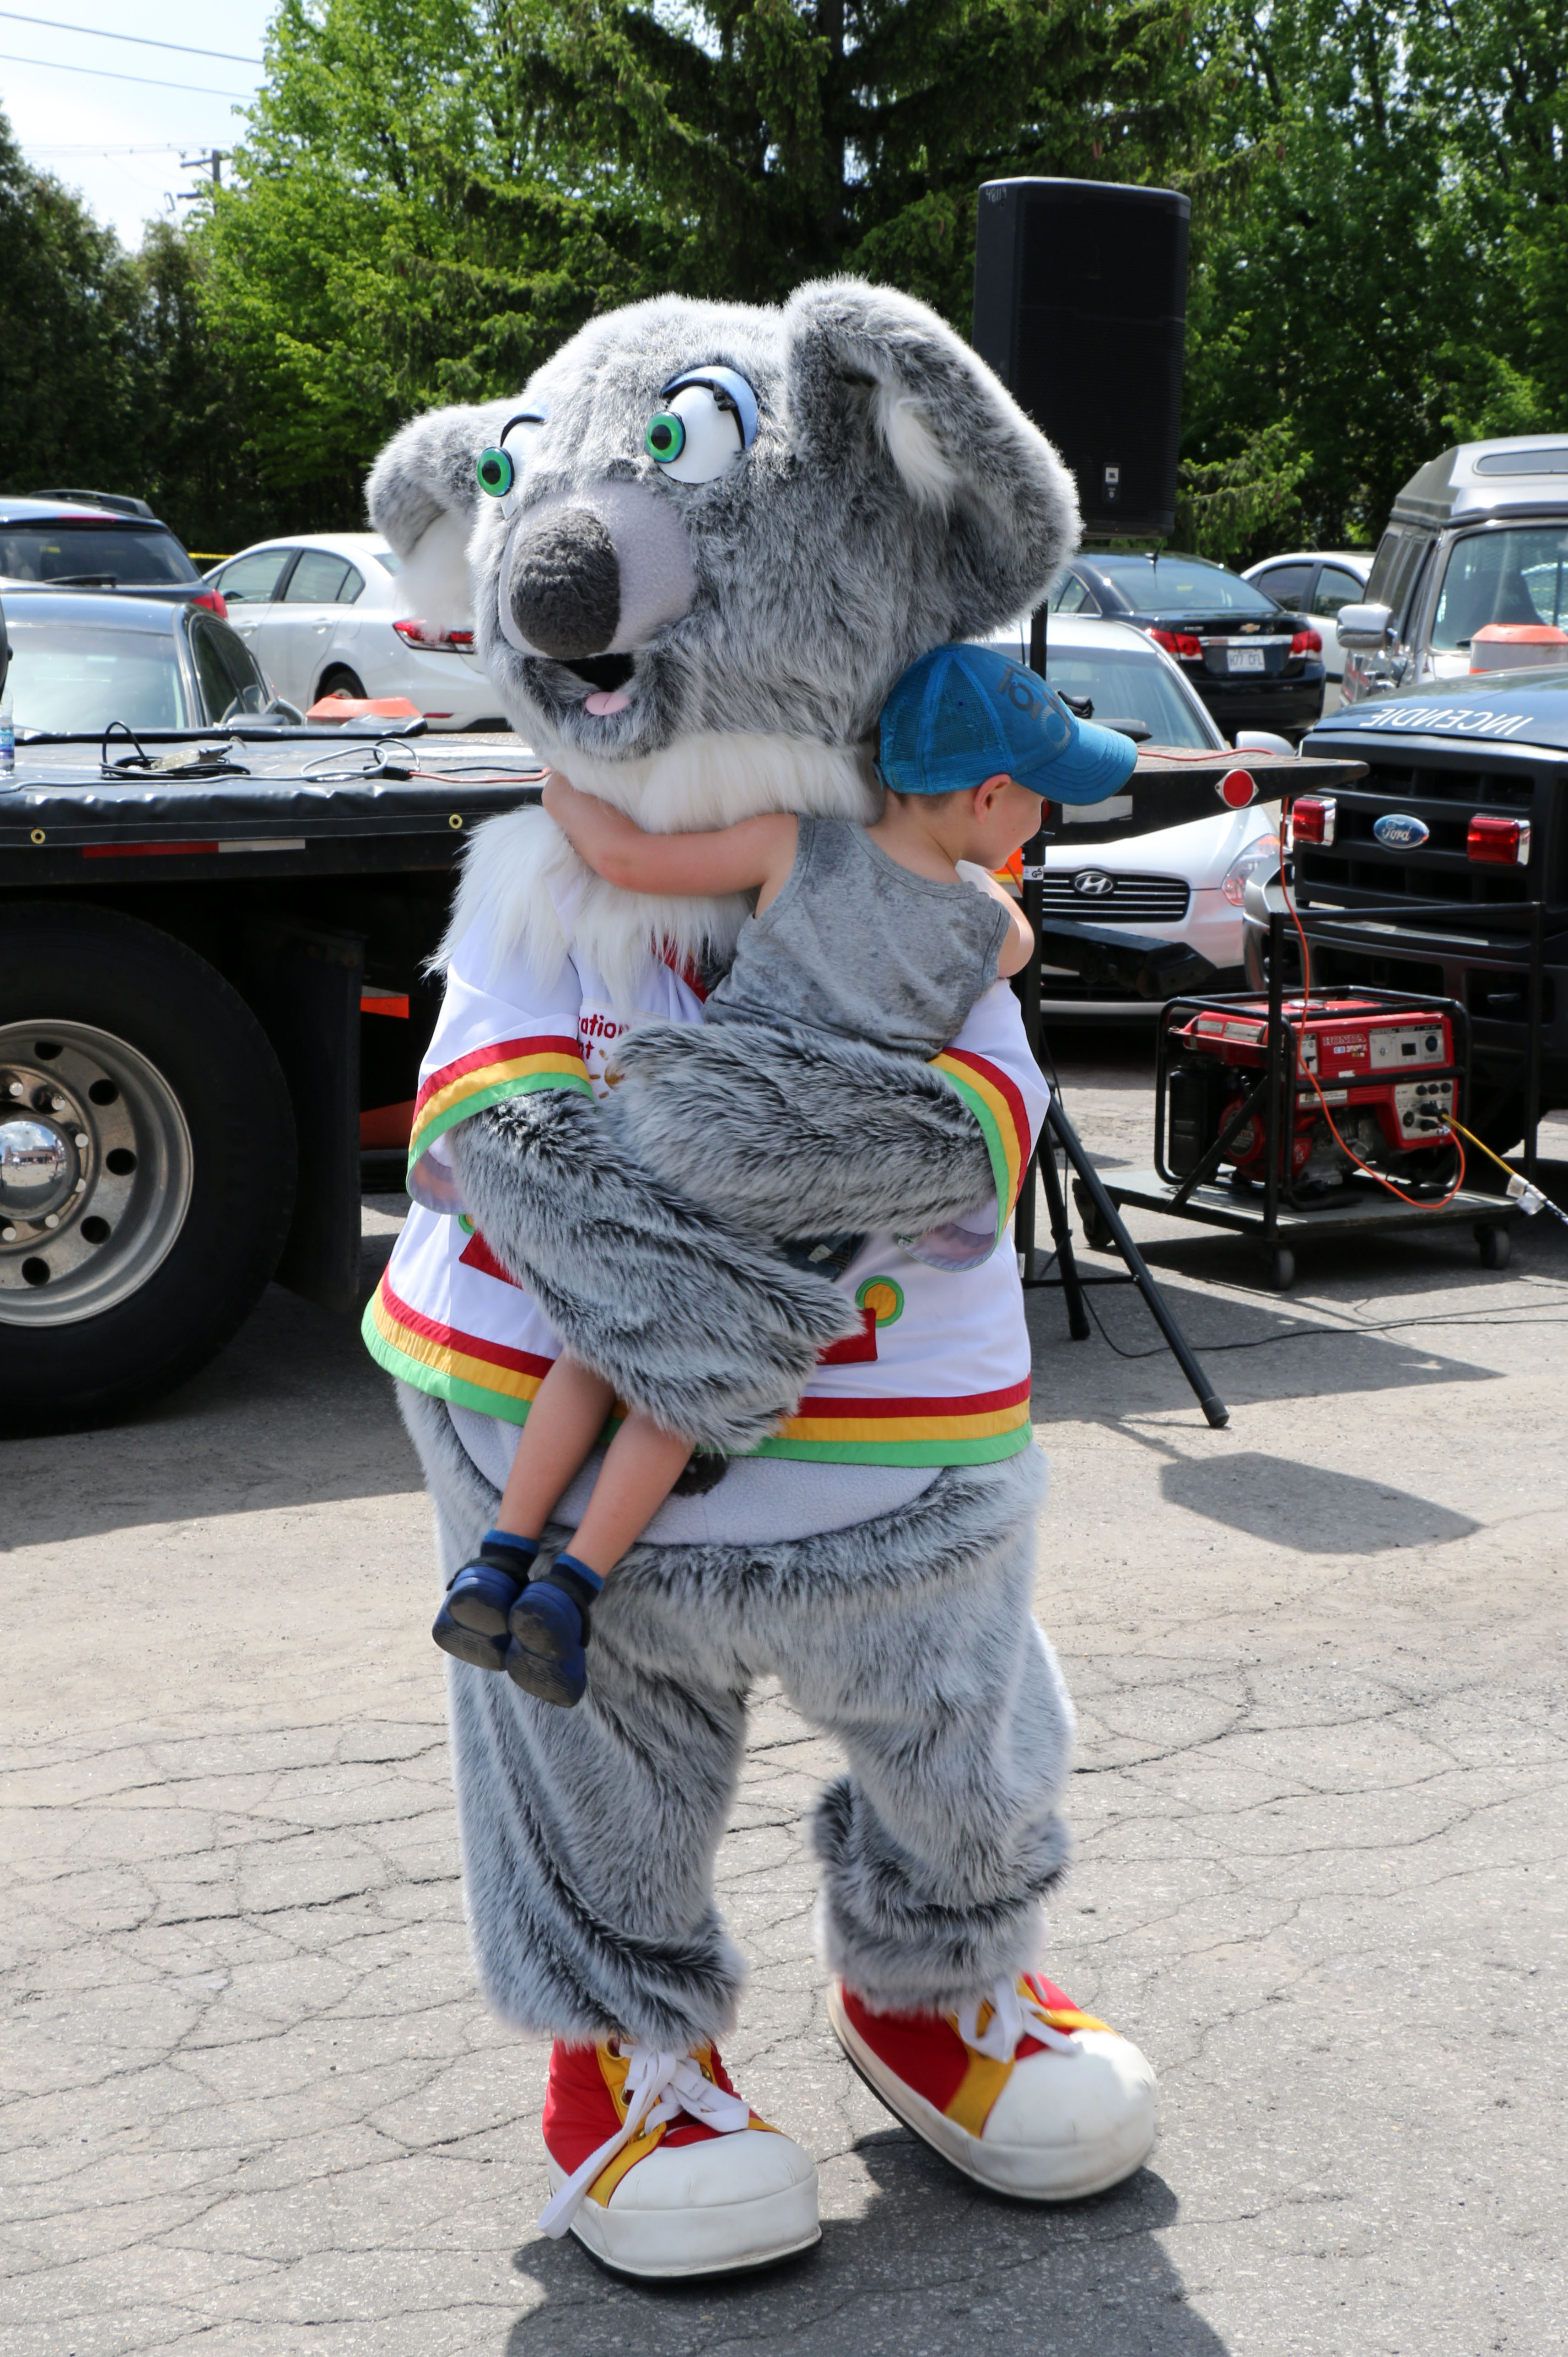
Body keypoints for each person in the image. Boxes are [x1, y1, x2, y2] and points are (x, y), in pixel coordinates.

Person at [432, 640, 1134, 1706]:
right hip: (814, 1176)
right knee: (688, 1381)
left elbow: (624, 861)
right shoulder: (992, 926)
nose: (1043, 820)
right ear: (988, 795)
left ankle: (496, 1560)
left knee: (604, 1338)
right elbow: (1010, 933)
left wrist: (563, 790)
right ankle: (570, 1590)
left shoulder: (789, 841)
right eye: (1039, 800)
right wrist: (976, 874)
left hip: (698, 1118)